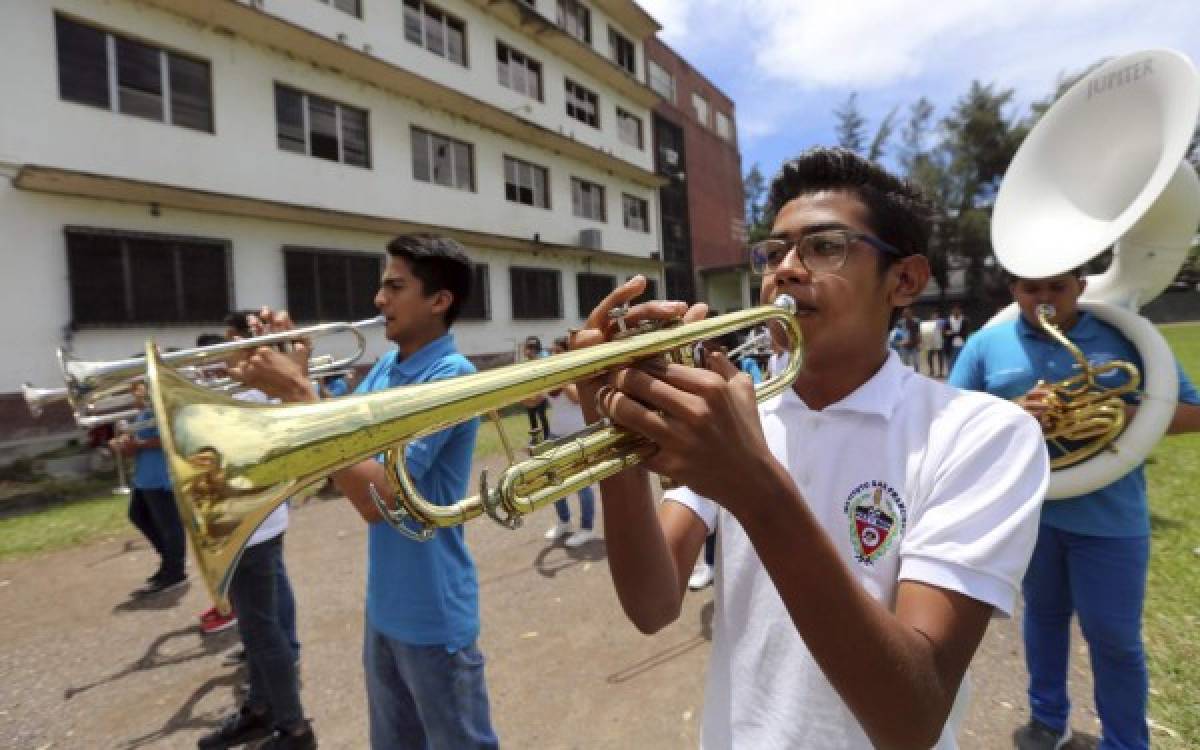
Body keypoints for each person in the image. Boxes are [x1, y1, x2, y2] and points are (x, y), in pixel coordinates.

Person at [573, 147, 1048, 748]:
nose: (785, 271)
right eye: (773, 253)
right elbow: (652, 603)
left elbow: (912, 718)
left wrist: (756, 488)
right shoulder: (735, 414)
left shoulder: (983, 432)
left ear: (904, 281)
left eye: (825, 247)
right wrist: (616, 431)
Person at [230, 235, 498, 749]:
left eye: (395, 287)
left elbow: (383, 502)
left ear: (439, 301)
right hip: (385, 608)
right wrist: (299, 377)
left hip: (432, 613)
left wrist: (299, 394)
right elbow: (337, 462)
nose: (378, 301)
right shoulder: (385, 367)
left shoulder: (450, 376)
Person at [948, 269, 1200, 750]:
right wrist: (1012, 414)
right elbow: (948, 416)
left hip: (1112, 518)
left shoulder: (1126, 338)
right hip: (1031, 514)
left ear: (1081, 285)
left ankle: (1126, 741)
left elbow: (1194, 411)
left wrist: (1131, 414)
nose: (1043, 299)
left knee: (1114, 637)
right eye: (1030, 288)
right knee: (1041, 618)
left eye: (1056, 287)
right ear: (1013, 291)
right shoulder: (987, 345)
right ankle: (1048, 720)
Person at [198, 312, 314, 750]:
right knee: (255, 626)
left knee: (263, 632)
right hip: (245, 520)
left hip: (256, 522)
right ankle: (262, 708)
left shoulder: (265, 386)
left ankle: (294, 728)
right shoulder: (247, 383)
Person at [110, 379, 187, 598]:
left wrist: (139, 445)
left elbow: (171, 436)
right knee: (138, 515)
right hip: (145, 477)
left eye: (137, 389)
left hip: (162, 476)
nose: (135, 395)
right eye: (133, 390)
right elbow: (137, 444)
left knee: (169, 525)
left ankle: (175, 571)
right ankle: (169, 560)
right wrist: (123, 444)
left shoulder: (164, 405)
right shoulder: (144, 413)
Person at [541, 336, 599, 549]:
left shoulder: (577, 376)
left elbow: (576, 398)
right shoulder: (554, 381)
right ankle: (564, 522)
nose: (554, 356)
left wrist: (561, 374)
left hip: (579, 436)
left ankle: (587, 529)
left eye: (559, 352)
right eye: (553, 352)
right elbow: (532, 400)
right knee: (554, 483)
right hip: (555, 436)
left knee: (582, 485)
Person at [521, 336, 551, 444]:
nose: (527, 350)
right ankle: (535, 437)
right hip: (530, 392)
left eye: (530, 347)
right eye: (528, 347)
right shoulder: (526, 361)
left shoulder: (543, 357)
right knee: (531, 415)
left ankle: (547, 436)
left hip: (540, 392)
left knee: (542, 414)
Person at [944, 304, 969, 372]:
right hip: (951, 345)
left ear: (960, 311)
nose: (956, 311)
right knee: (951, 363)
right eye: (954, 310)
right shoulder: (948, 320)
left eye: (957, 310)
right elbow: (945, 333)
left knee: (962, 363)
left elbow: (965, 332)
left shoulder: (965, 320)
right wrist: (954, 333)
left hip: (962, 344)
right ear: (952, 311)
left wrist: (952, 333)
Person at [926, 309, 947, 378]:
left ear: (938, 316)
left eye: (935, 315)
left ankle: (940, 372)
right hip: (931, 343)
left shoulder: (942, 322)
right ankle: (932, 371)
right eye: (933, 316)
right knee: (929, 357)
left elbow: (944, 329)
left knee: (940, 358)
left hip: (939, 342)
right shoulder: (929, 323)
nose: (934, 316)